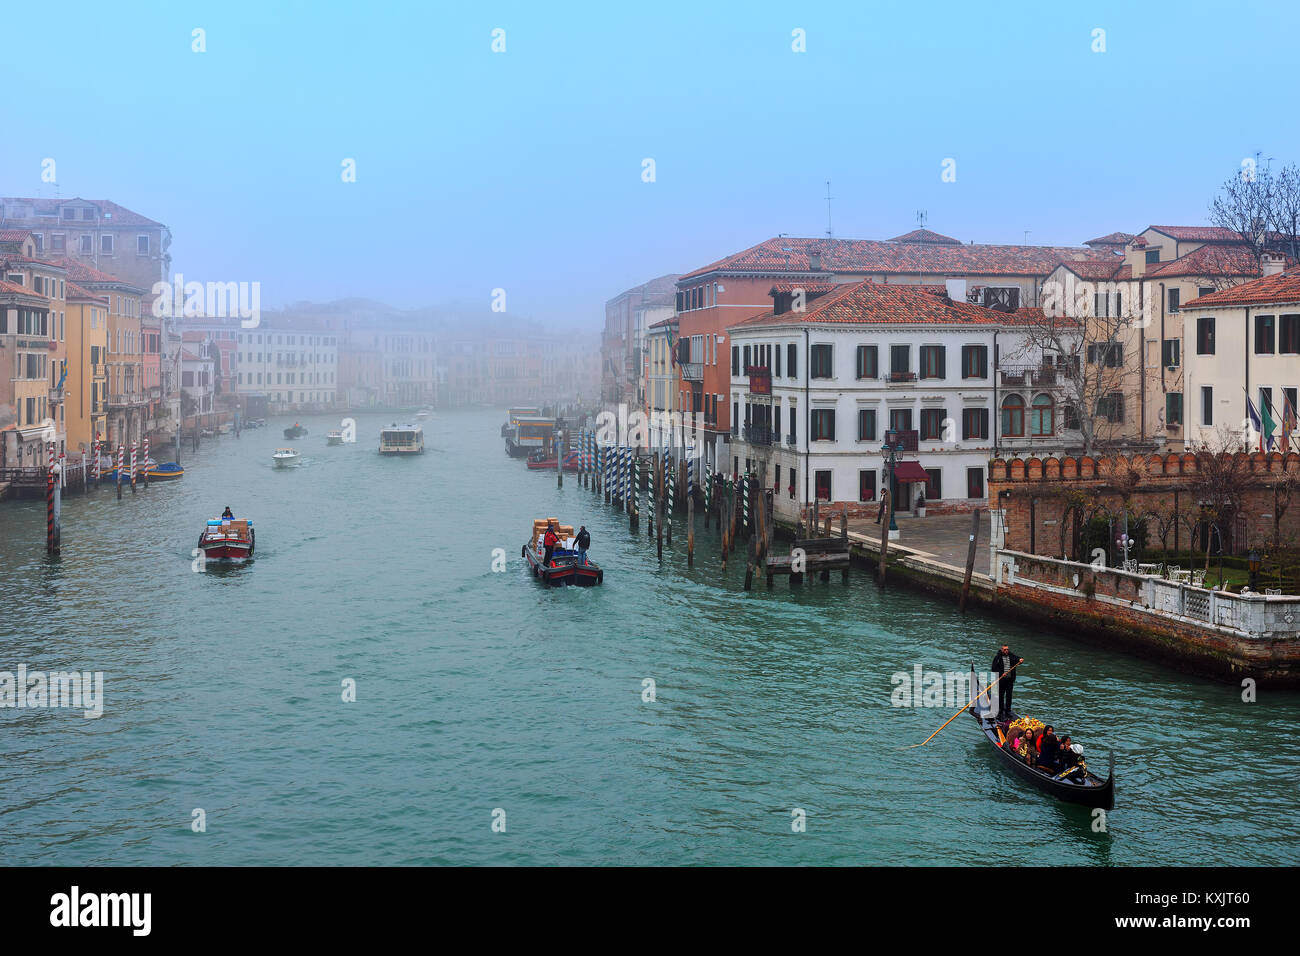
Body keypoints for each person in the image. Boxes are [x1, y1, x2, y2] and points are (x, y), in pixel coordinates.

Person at [991, 644, 1024, 721]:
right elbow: (993, 669)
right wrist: (1001, 673)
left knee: (1009, 696)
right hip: (1001, 680)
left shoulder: (1011, 656)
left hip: (1010, 680)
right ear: (1001, 650)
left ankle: (1008, 711)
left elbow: (1017, 659)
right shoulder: (997, 658)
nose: (1006, 651)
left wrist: (1020, 660)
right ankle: (1000, 711)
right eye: (1005, 649)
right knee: (1001, 696)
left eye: (1007, 649)